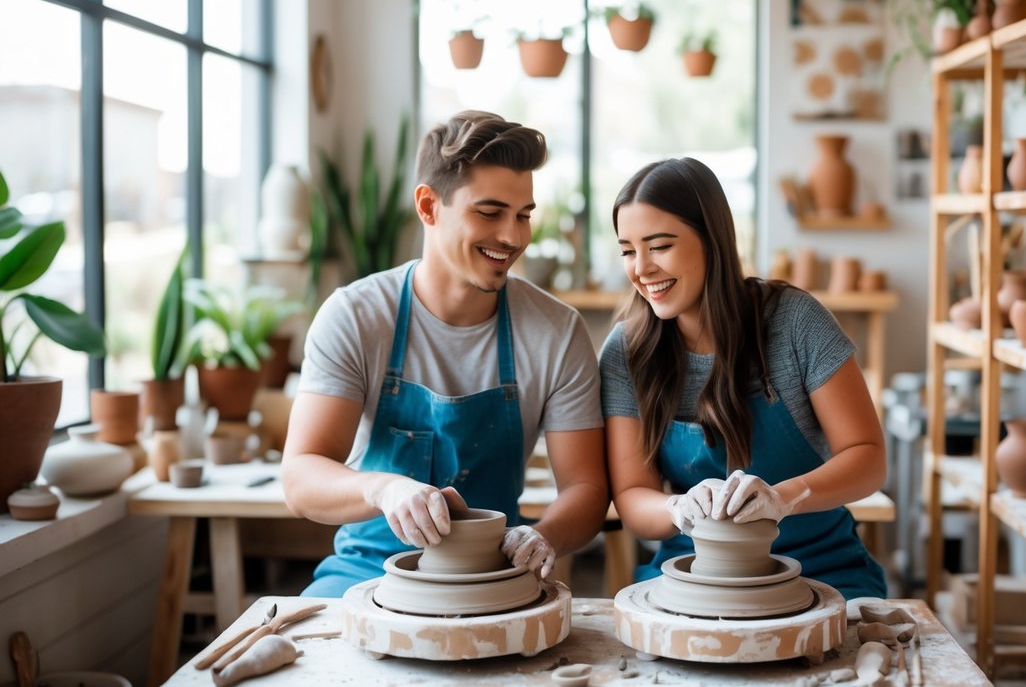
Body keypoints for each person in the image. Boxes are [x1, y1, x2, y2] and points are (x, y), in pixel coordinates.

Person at [283, 110, 608, 598]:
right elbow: (300, 477)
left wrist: (544, 536)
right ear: (428, 206)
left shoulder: (556, 332)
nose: (513, 237)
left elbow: (586, 490)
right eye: (490, 212)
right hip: (369, 571)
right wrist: (385, 489)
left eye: (523, 216)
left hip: (494, 574)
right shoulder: (356, 316)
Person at [599, 157, 887, 600]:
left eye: (659, 246)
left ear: (712, 240)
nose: (641, 268)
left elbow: (868, 458)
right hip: (693, 572)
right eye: (627, 250)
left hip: (821, 570)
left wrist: (783, 497)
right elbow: (634, 497)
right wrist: (678, 509)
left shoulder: (794, 322)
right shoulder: (627, 350)